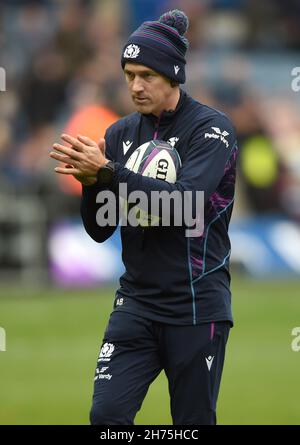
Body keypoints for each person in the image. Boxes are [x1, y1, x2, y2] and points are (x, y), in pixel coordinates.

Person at [50, 9, 238, 425]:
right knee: (107, 417)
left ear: (174, 76)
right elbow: (100, 229)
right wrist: (91, 183)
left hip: (196, 305)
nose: (135, 85)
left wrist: (110, 174)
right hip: (136, 303)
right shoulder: (120, 134)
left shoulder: (211, 130)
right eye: (129, 74)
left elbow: (185, 206)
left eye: (147, 75)